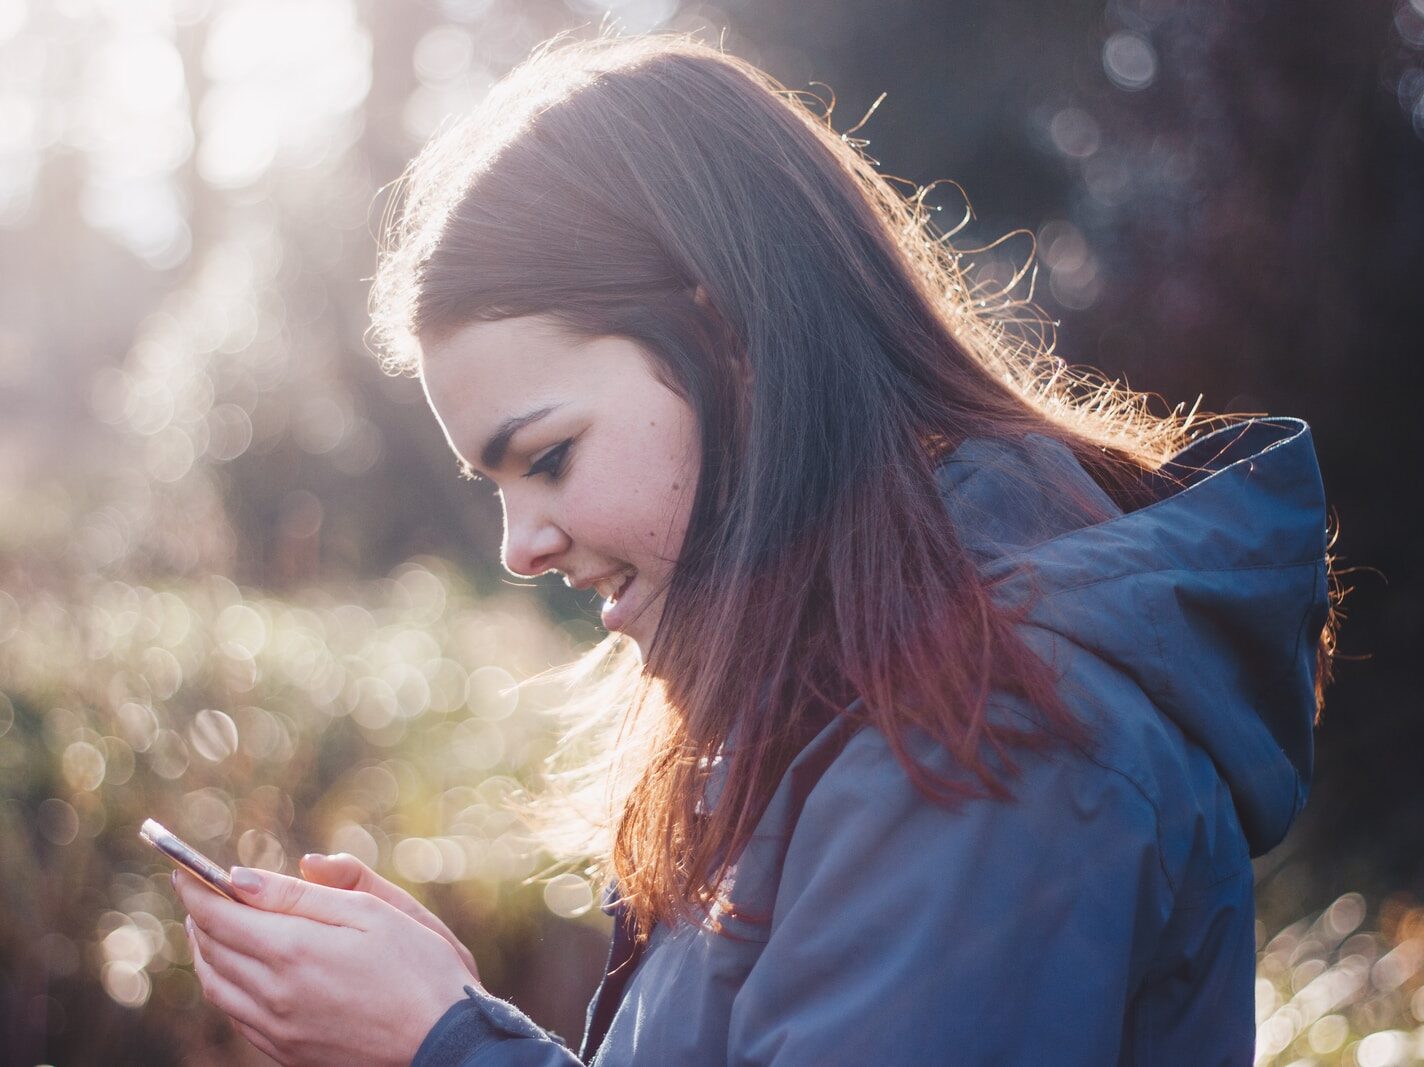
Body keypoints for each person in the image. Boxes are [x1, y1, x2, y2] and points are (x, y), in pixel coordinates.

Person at [173, 33, 1338, 1065]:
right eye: (495, 483)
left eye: (548, 455)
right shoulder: (859, 698)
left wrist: (441, 1044)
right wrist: (442, 1017)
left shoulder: (989, 735)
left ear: (726, 338)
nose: (521, 546)